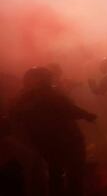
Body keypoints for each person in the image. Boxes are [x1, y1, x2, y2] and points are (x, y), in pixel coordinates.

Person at [11, 67, 96, 196]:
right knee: (74, 175)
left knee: (56, 174)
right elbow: (69, 109)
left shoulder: (20, 99)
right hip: (69, 140)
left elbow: (16, 119)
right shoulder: (50, 94)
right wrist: (88, 115)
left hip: (46, 143)